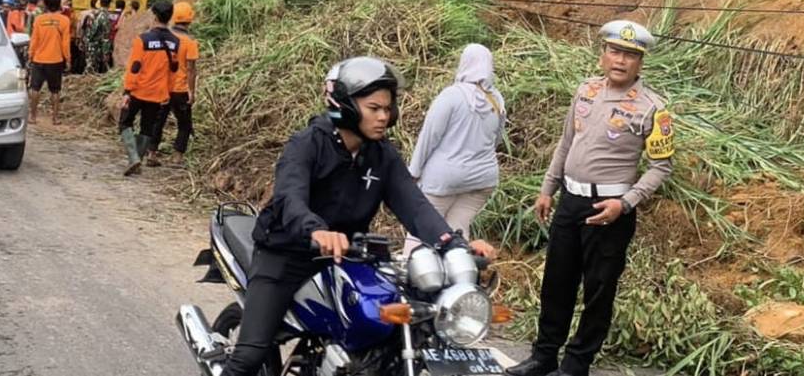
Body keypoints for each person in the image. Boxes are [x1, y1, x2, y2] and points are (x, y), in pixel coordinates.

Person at [221, 56, 496, 376]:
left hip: (349, 256)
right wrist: (316, 231)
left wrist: (453, 244)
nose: (384, 116)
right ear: (346, 107)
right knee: (250, 357)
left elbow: (416, 206)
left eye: (387, 108)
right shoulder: (307, 144)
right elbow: (289, 199)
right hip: (287, 255)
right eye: (374, 108)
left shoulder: (382, 155)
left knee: (390, 330)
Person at [505, 20, 675, 376]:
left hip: (610, 210)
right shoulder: (586, 91)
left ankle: (576, 363)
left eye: (630, 55)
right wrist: (547, 189)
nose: (621, 60)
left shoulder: (653, 108)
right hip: (570, 201)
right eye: (615, 51)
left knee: (598, 290)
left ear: (640, 63)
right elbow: (567, 143)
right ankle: (543, 356)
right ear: (603, 55)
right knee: (557, 282)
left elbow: (661, 167)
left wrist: (624, 203)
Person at [403, 44, 505, 255]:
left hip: (445, 179)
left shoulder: (452, 95)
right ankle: (457, 280)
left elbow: (429, 136)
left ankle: (410, 277)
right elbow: (496, 140)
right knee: (458, 232)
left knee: (421, 232)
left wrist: (413, 172)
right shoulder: (496, 99)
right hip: (482, 180)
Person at [119, 1, 181, 176]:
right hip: (158, 93)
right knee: (147, 127)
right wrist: (168, 91)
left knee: (125, 122)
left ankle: (134, 158)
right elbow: (174, 70)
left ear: (154, 16)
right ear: (170, 18)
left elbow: (135, 67)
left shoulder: (143, 40)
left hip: (139, 90)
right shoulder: (175, 42)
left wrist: (127, 91)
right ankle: (137, 158)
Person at [152, 2, 199, 165]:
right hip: (180, 89)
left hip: (162, 86)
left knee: (158, 120)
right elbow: (192, 69)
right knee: (185, 123)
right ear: (190, 20)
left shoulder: (164, 38)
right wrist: (192, 92)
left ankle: (151, 153)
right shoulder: (190, 41)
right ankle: (177, 156)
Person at [27, 0, 72, 125]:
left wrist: (30, 55)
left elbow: (34, 40)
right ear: (59, 4)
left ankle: (33, 117)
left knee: (35, 88)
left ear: (45, 4)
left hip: (39, 59)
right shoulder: (65, 21)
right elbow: (65, 43)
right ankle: (55, 118)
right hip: (56, 60)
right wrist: (68, 59)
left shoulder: (39, 20)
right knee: (55, 90)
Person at [86, 0, 113, 74]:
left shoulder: (93, 13)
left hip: (89, 45)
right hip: (97, 47)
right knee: (94, 71)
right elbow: (106, 36)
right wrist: (106, 52)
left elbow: (87, 29)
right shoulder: (105, 16)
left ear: (100, 2)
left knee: (90, 67)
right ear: (109, 4)